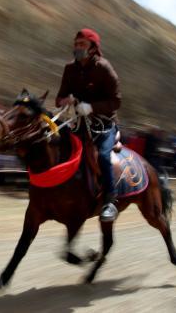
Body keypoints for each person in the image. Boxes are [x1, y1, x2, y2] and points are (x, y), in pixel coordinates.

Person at [55, 28, 121, 222]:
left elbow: (116, 102)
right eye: (76, 44)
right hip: (76, 123)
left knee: (102, 155)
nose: (77, 47)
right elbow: (59, 98)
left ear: (93, 48)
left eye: (82, 44)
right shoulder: (69, 69)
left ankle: (110, 202)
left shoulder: (104, 68)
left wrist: (91, 107)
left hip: (104, 124)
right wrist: (65, 100)